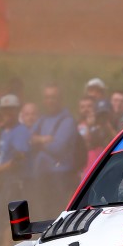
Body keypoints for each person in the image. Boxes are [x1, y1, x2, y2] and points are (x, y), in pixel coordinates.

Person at [31, 84, 81, 216]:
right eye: (47, 97)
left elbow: (58, 148)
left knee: (56, 214)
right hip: (42, 175)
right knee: (41, 214)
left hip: (61, 176)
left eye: (53, 97)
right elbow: (29, 140)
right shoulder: (42, 119)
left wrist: (38, 141)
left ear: (60, 99)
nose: (50, 101)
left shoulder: (67, 120)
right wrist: (44, 139)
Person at [0, 94, 32, 214]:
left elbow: (19, 158)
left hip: (16, 183)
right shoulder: (5, 131)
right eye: (4, 109)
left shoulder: (20, 131)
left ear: (17, 111)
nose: (7, 113)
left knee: (4, 218)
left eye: (11, 109)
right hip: (5, 181)